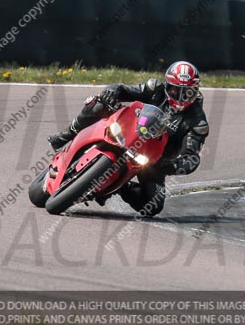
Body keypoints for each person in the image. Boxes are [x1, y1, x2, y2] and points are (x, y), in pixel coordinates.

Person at [48, 60, 209, 216]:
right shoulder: (154, 88)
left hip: (153, 160)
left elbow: (191, 159)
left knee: (153, 205)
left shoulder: (198, 122)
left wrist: (168, 166)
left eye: (186, 92)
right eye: (175, 90)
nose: (180, 97)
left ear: (195, 91)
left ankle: (119, 187)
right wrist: (112, 93)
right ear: (167, 86)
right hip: (128, 129)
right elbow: (122, 89)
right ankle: (66, 135)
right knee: (98, 104)